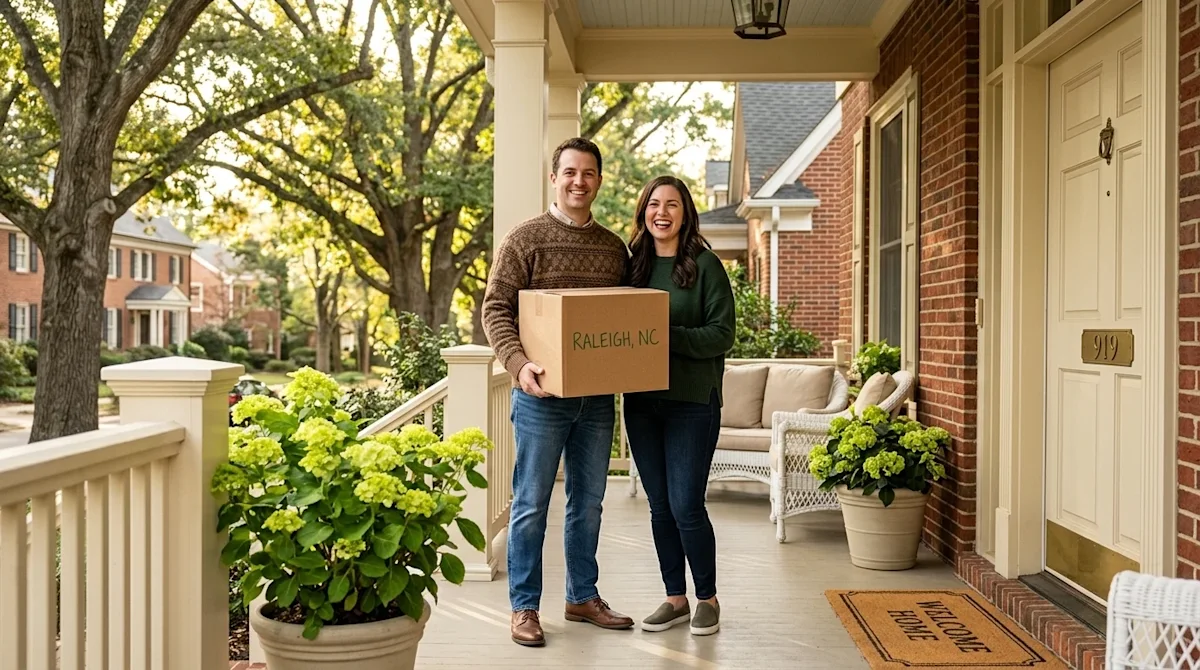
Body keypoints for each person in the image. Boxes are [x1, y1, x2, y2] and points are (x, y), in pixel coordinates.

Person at [483, 137, 634, 648]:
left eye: (588, 173)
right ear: (554, 178)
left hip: (597, 401)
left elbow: (628, 319)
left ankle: (581, 596)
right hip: (540, 398)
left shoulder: (615, 249)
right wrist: (519, 365)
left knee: (588, 502)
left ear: (598, 180)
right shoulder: (525, 239)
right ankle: (524, 606)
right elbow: (495, 309)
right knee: (530, 504)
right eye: (569, 172)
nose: (578, 182)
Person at [622, 175, 735, 636]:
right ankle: (675, 598)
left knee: (687, 504)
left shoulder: (705, 265)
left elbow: (722, 334)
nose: (661, 212)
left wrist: (664, 337)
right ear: (643, 211)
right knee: (660, 506)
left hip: (692, 401)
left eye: (671, 204)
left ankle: (707, 598)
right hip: (642, 402)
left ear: (685, 212)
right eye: (653, 203)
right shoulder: (633, 267)